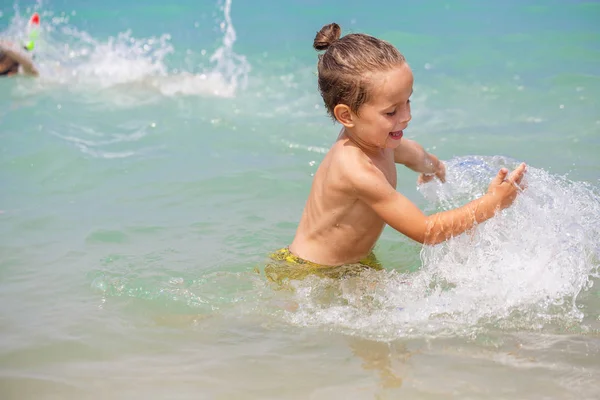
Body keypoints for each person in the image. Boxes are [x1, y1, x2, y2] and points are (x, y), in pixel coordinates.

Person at [264, 23, 527, 284]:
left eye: (408, 101)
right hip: (309, 273)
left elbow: (413, 154)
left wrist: (433, 167)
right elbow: (427, 232)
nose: (407, 116)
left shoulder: (377, 140)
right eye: (391, 112)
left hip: (355, 265)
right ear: (347, 116)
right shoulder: (355, 169)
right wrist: (493, 203)